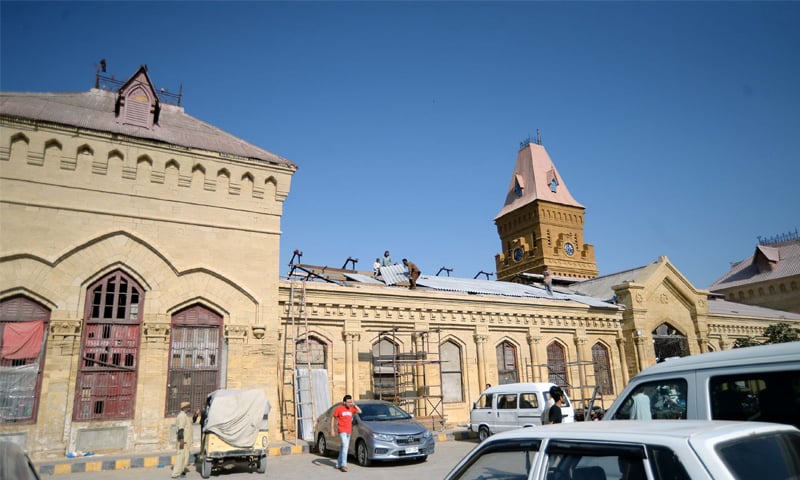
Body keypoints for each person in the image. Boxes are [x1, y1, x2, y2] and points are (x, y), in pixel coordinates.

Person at [330, 394, 361, 472]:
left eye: (351, 401)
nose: (350, 403)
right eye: (348, 402)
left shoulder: (351, 409)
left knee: (343, 447)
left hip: (349, 431)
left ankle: (338, 464)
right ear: (344, 402)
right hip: (342, 430)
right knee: (345, 446)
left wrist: (354, 405)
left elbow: (360, 411)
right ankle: (344, 465)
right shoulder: (339, 408)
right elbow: (333, 417)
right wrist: (332, 429)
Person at [172, 401, 192, 478]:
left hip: (186, 441)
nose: (189, 408)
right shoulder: (182, 416)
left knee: (185, 458)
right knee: (180, 458)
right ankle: (175, 474)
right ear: (184, 408)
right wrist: (181, 440)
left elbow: (190, 423)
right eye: (188, 407)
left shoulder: (185, 416)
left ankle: (181, 472)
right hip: (183, 441)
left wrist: (196, 415)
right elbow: (181, 429)